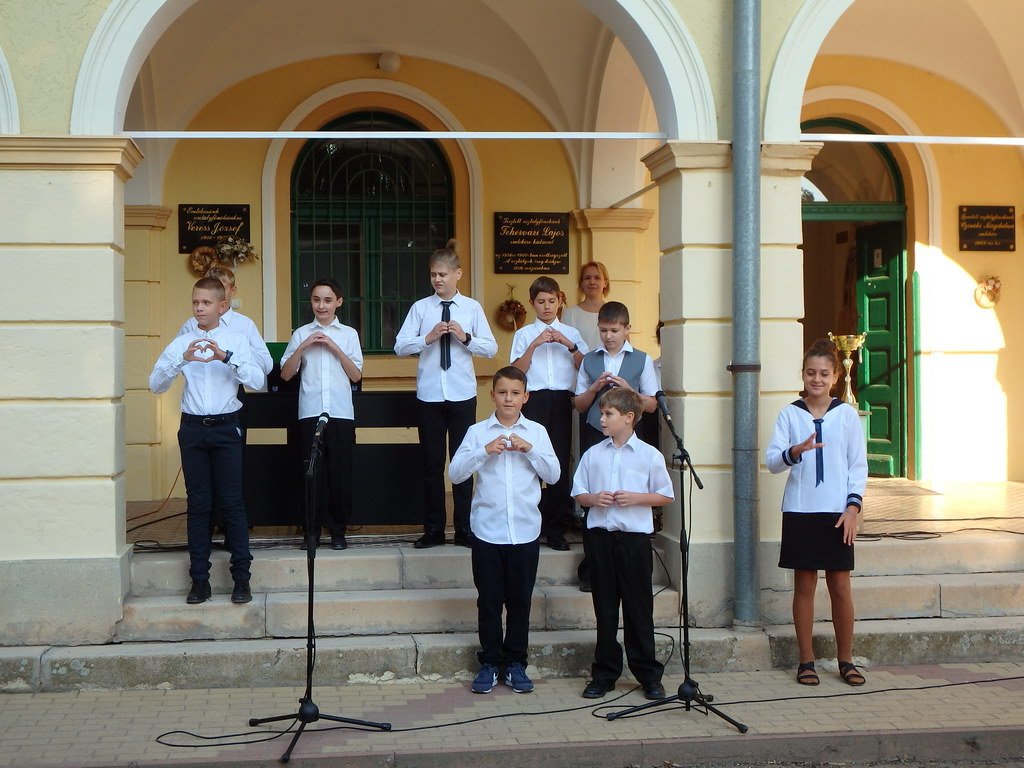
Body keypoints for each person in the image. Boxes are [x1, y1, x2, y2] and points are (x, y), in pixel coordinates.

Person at [149, 277, 266, 604]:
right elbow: (155, 384)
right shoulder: (182, 342)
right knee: (198, 504)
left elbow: (258, 381)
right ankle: (199, 580)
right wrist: (180, 360)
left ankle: (241, 579)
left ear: (222, 306)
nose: (199, 308)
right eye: (195, 302)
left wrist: (227, 358)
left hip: (227, 428)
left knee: (232, 502)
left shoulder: (236, 339)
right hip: (193, 430)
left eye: (206, 303)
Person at [449, 367, 560, 694]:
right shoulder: (477, 432)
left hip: (525, 531)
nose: (508, 399)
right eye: (502, 392)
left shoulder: (537, 432)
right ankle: (489, 662)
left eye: (515, 393)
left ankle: (515, 663)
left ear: (525, 397)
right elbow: (455, 473)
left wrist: (531, 450)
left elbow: (554, 475)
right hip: (488, 531)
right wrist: (484, 451)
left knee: (520, 601)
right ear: (492, 395)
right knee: (489, 600)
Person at [766, 337, 868, 687]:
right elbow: (773, 462)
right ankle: (806, 660)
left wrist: (853, 508)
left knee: (840, 584)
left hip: (838, 511)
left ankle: (846, 660)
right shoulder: (789, 414)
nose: (817, 379)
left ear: (836, 376)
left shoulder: (846, 415)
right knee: (805, 585)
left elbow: (858, 466)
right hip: (801, 509)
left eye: (824, 373)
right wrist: (795, 451)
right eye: (811, 372)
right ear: (803, 374)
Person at [394, 239, 498, 548]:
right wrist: (426, 339)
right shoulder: (421, 308)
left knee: (464, 461)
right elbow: (400, 346)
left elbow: (491, 348)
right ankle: (434, 529)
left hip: (462, 395)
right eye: (433, 275)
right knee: (432, 464)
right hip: (429, 396)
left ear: (458, 274)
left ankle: (464, 527)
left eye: (442, 274)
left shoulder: (472, 308)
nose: (437, 280)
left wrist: (465, 338)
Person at [572, 387, 673, 701]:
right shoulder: (593, 454)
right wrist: (593, 499)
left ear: (629, 417)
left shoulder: (649, 455)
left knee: (638, 608)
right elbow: (579, 493)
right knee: (604, 609)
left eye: (608, 414)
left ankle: (648, 675)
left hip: (633, 541)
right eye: (601, 413)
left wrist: (637, 498)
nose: (602, 419)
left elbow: (665, 494)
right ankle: (604, 674)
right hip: (600, 539)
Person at [573, 301, 659, 591]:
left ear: (626, 329)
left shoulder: (642, 360)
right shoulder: (589, 360)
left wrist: (629, 390)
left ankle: (625, 566)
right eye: (603, 330)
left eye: (614, 330)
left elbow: (652, 404)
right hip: (596, 433)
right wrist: (595, 388)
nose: (608, 336)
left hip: (628, 434)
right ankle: (592, 570)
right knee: (597, 497)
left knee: (624, 493)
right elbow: (579, 405)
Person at [280, 278, 363, 551]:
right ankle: (311, 532)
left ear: (338, 302)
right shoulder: (301, 333)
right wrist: (303, 346)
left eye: (327, 300)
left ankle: (338, 531)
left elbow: (356, 375)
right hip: (310, 412)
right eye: (316, 299)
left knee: (340, 475)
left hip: (341, 412)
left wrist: (335, 347)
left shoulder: (349, 334)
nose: (321, 305)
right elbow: (286, 374)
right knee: (311, 474)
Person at [510, 276, 587, 551]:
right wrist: (534, 345)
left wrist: (569, 344)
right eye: (541, 301)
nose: (546, 306)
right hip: (534, 400)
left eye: (552, 301)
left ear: (560, 301)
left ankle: (555, 528)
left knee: (558, 461)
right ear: (532, 303)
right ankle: (528, 525)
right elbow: (516, 372)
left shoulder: (572, 333)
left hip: (562, 400)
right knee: (530, 460)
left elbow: (586, 367)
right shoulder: (523, 334)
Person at [177, 265, 274, 378]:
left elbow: (267, 366)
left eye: (221, 288)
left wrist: (237, 349)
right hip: (197, 385)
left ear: (233, 291)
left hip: (236, 384)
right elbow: (174, 359)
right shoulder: (191, 324)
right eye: (211, 289)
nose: (215, 294)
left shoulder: (245, 324)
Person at [561, 260, 610, 354]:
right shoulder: (570, 314)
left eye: (597, 278)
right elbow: (563, 349)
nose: (592, 282)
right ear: (581, 283)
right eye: (587, 278)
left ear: (605, 283)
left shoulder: (614, 313)